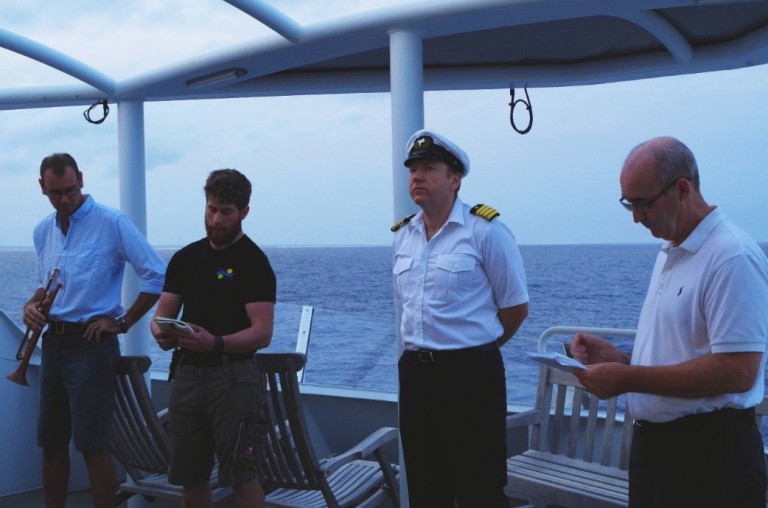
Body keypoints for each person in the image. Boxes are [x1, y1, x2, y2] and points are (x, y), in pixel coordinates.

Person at [569, 136, 768, 508]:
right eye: (628, 203)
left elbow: (738, 371)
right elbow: (683, 350)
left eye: (642, 202)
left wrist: (627, 379)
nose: (635, 216)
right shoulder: (671, 250)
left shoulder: (730, 256)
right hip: (657, 454)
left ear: (681, 189)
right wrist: (621, 361)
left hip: (711, 461)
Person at [392, 129, 529, 507]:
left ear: (454, 180)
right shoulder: (404, 237)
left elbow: (516, 308)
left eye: (428, 168)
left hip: (470, 376)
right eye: (413, 170)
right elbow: (407, 309)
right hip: (416, 376)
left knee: (478, 488)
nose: (416, 177)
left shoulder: (486, 231)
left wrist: (478, 347)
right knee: (424, 486)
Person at [22, 153, 165, 508]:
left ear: (82, 179)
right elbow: (46, 286)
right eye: (56, 193)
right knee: (51, 442)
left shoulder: (111, 222)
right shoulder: (43, 231)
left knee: (94, 445)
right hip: (53, 343)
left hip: (92, 344)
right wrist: (30, 305)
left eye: (70, 190)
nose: (65, 199)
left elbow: (156, 274)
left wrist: (122, 323)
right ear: (43, 188)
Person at [150, 168, 275, 508]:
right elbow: (162, 314)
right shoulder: (186, 258)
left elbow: (262, 332)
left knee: (242, 477)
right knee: (190, 477)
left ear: (244, 212)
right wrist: (161, 332)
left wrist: (215, 343)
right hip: (187, 375)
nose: (216, 219)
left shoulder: (254, 263)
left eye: (226, 212)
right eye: (211, 209)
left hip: (233, 377)